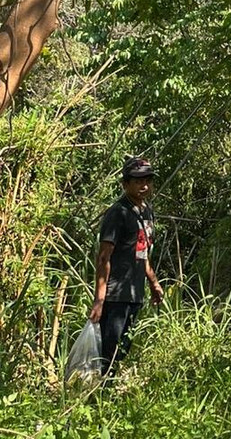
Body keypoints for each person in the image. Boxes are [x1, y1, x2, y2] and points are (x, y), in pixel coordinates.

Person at [90, 155, 164, 375]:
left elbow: (142, 253)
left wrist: (153, 283)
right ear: (125, 184)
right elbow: (104, 257)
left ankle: (108, 394)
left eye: (148, 180)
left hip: (135, 293)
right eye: (138, 180)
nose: (144, 185)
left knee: (123, 348)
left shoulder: (146, 211)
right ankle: (99, 395)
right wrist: (99, 300)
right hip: (115, 296)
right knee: (108, 351)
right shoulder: (118, 213)